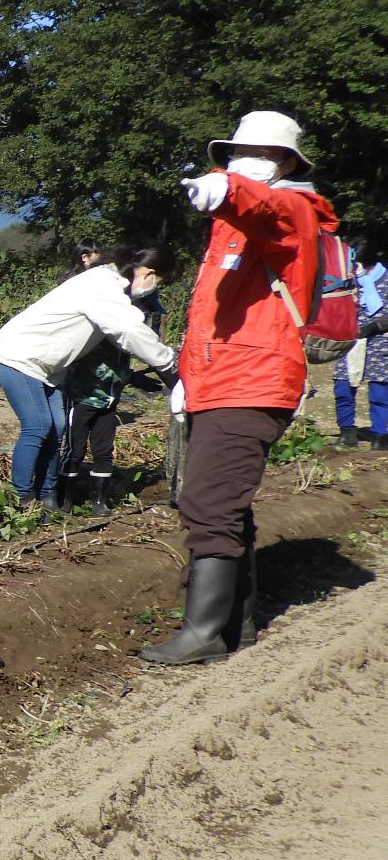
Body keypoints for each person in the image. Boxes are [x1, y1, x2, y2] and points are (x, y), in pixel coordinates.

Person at [142, 111, 338, 666]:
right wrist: (187, 378)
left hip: (251, 383)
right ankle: (237, 624)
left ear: (283, 162)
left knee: (207, 502)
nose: (237, 161)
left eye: (251, 154)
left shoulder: (293, 209)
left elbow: (265, 207)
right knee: (227, 504)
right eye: (233, 154)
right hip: (219, 380)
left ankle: (203, 634)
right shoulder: (231, 228)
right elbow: (210, 318)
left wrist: (229, 189)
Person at [0, 248, 177, 516]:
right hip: (19, 356)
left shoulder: (108, 284)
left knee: (59, 427)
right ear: (149, 273)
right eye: (159, 283)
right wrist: (168, 369)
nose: (154, 289)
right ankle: (22, 498)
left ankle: (49, 495)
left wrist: (134, 375)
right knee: (39, 426)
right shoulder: (102, 285)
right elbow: (128, 329)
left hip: (48, 366)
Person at [56, 254, 173, 514]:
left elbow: (119, 366)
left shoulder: (127, 336)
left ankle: (100, 501)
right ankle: (65, 501)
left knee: (104, 450)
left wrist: (133, 377)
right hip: (82, 394)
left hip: (109, 399)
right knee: (74, 450)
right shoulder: (107, 324)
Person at [331, 243, 387, 449]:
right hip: (350, 339)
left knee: (380, 390)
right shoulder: (346, 280)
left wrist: (377, 325)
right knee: (343, 385)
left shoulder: (386, 279)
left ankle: (381, 436)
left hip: (380, 341)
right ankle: (347, 433)